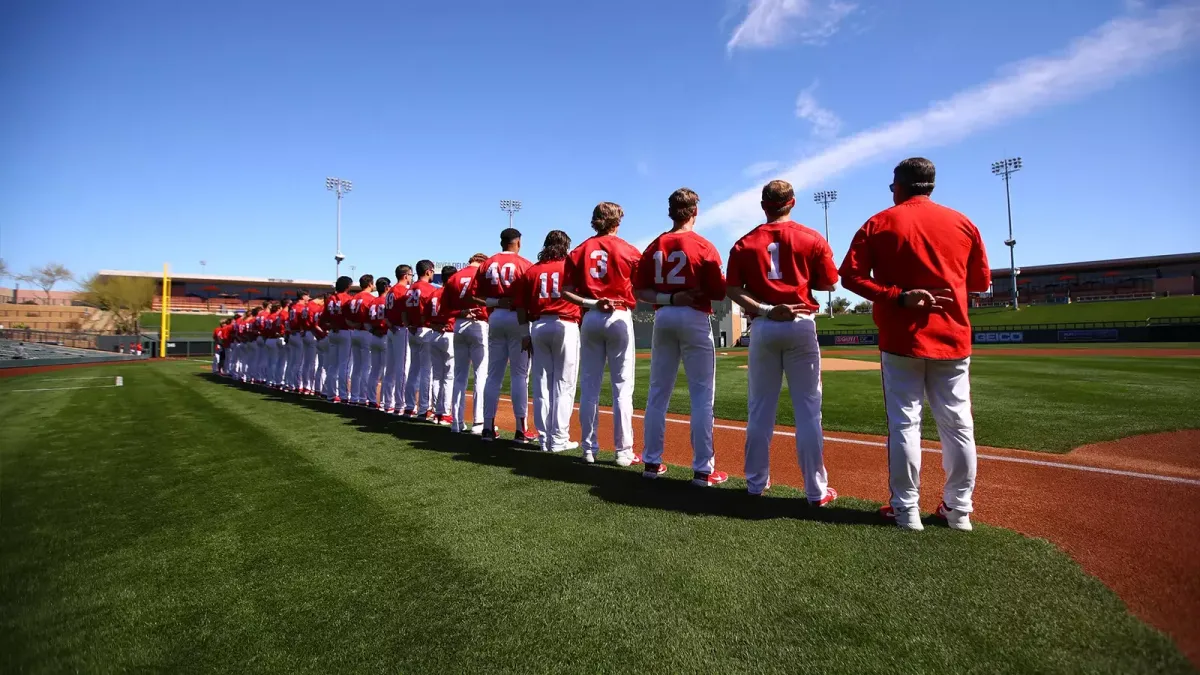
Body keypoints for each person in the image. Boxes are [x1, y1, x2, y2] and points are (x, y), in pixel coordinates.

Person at [838, 157, 992, 532]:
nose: (891, 191)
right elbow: (980, 282)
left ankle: (906, 511)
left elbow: (850, 277)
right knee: (958, 425)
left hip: (901, 337)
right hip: (953, 335)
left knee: (906, 424)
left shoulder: (879, 222)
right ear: (932, 185)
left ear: (901, 185)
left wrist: (897, 294)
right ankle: (959, 512)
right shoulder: (962, 222)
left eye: (892, 185)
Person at [726, 180, 839, 504]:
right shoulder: (812, 238)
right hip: (801, 323)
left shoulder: (745, 243)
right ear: (792, 202)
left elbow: (732, 288)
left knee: (760, 408)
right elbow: (830, 282)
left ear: (763, 205)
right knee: (807, 411)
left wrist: (763, 307)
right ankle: (816, 491)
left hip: (764, 324)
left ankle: (755, 483)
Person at [634, 188, 728, 486]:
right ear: (695, 211)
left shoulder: (655, 245)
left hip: (664, 315)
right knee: (702, 395)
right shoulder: (702, 245)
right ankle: (703, 470)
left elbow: (639, 291)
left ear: (671, 212)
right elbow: (718, 291)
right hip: (695, 315)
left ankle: (651, 462)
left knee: (658, 392)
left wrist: (671, 298)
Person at [563, 202, 642, 466]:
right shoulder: (629, 249)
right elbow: (642, 288)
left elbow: (566, 292)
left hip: (591, 316)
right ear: (617, 222)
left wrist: (590, 303)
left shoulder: (579, 250)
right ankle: (623, 450)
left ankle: (589, 448)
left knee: (590, 387)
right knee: (622, 387)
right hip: (619, 314)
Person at [514, 230, 581, 453]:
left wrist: (525, 334)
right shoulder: (570, 267)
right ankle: (559, 438)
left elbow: (521, 307)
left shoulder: (532, 270)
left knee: (542, 383)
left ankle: (544, 438)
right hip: (565, 324)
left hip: (539, 326)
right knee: (564, 383)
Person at [474, 228, 536, 444]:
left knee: (493, 374)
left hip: (496, 317)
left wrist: (496, 302)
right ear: (518, 242)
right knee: (520, 375)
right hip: (517, 319)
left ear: (501, 241)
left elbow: (476, 296)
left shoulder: (486, 263)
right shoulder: (525, 264)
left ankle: (488, 427)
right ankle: (521, 430)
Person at [441, 254, 489, 434]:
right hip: (479, 324)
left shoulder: (454, 277)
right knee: (481, 374)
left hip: (459, 325)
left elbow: (443, 308)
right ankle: (479, 422)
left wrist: (462, 313)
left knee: (459, 375)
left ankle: (457, 422)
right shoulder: (483, 273)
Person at [402, 260, 438, 418]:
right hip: (425, 330)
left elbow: (403, 312)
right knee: (426, 371)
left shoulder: (409, 289)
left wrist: (409, 324)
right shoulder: (430, 289)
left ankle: (410, 406)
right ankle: (424, 408)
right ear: (429, 271)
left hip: (412, 330)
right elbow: (430, 312)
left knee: (414, 369)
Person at [424, 267, 458, 425]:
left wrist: (434, 324)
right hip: (448, 335)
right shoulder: (452, 293)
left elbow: (424, 316)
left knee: (437, 375)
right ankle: (445, 413)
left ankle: (437, 412)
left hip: (433, 334)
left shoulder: (433, 293)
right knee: (449, 376)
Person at [381, 264, 413, 414]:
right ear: (406, 275)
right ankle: (401, 404)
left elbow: (385, 313)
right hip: (401, 329)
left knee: (391, 368)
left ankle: (388, 403)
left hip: (391, 329)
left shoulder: (390, 291)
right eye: (411, 275)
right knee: (402, 368)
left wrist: (389, 324)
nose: (411, 278)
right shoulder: (402, 290)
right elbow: (404, 311)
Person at [346, 274, 376, 405]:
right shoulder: (370, 298)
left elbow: (345, 316)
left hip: (355, 332)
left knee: (357, 367)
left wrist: (352, 325)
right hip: (365, 332)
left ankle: (354, 396)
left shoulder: (353, 298)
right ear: (370, 284)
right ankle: (363, 397)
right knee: (366, 367)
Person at [325, 276, 354, 402]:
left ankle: (331, 394)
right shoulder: (348, 298)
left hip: (333, 332)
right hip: (345, 331)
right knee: (344, 365)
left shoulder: (330, 299)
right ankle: (343, 395)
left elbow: (323, 320)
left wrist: (333, 325)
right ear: (347, 286)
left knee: (333, 365)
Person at [364, 278, 391, 408]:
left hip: (373, 336)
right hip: (385, 336)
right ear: (386, 287)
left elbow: (366, 322)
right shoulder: (388, 301)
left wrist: (373, 330)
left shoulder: (372, 301)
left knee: (374, 370)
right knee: (387, 370)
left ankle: (371, 399)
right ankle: (386, 401)